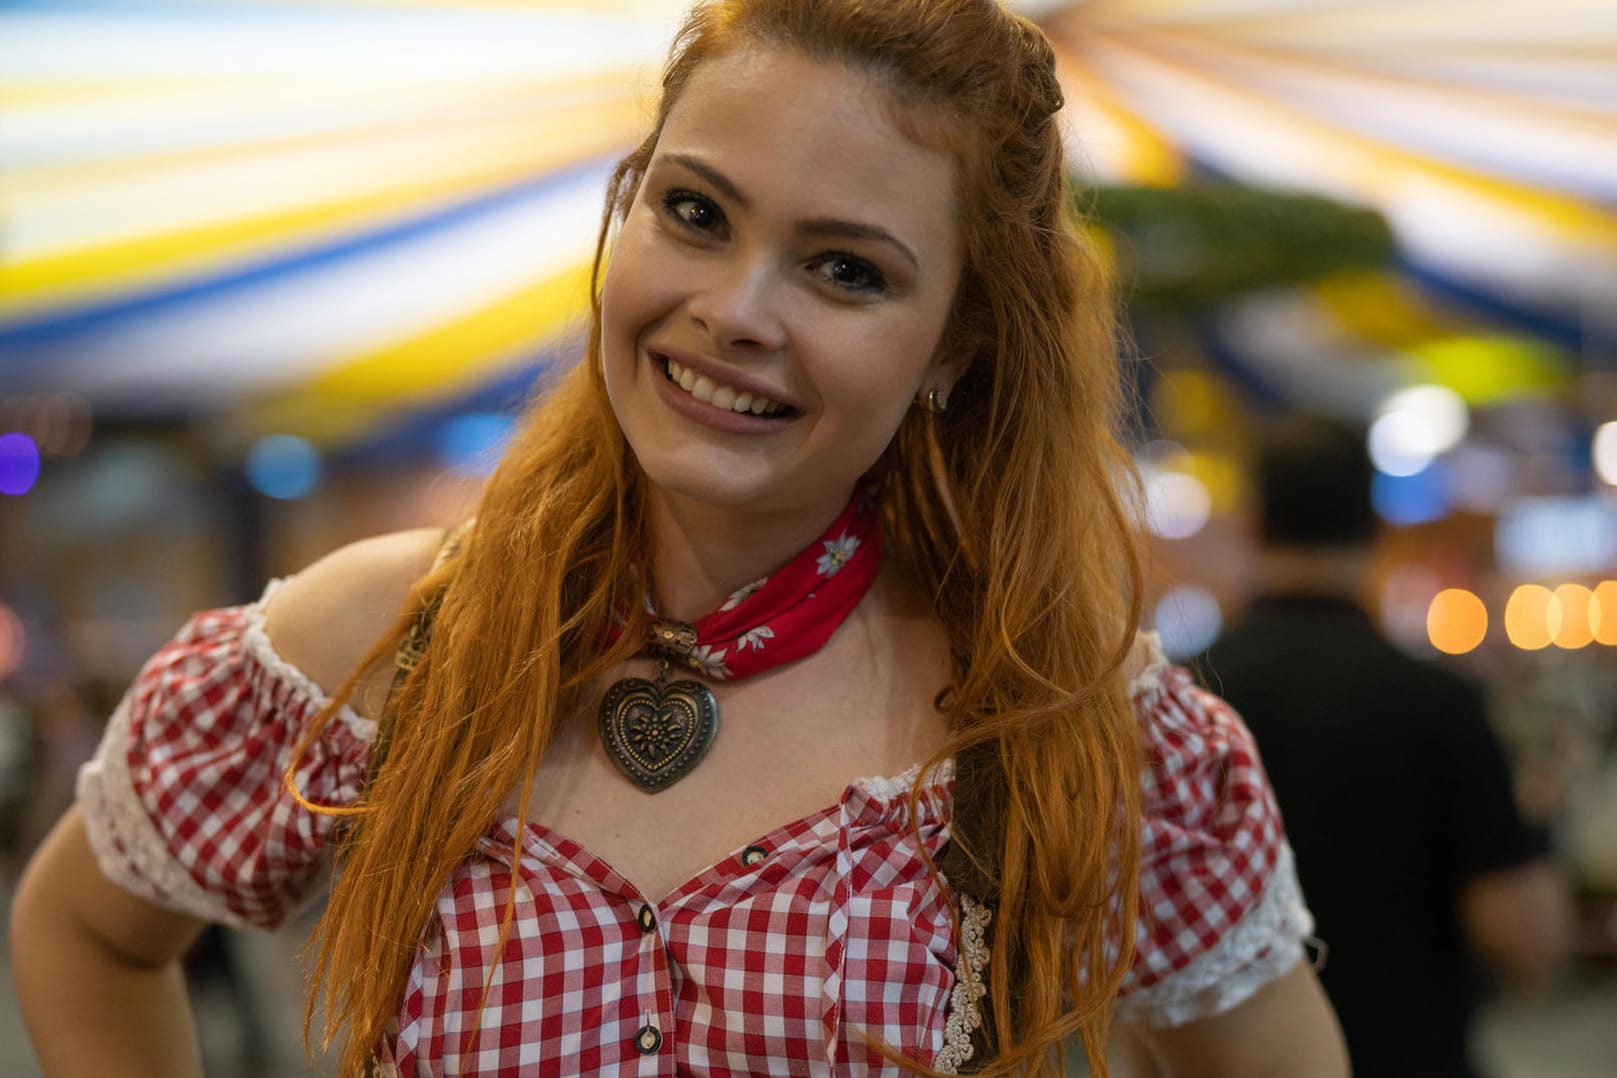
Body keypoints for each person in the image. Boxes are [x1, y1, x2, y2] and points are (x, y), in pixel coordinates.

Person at [10, 2, 1348, 1074]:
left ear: (956, 342)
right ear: (628, 203)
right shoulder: (367, 644)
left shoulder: (1071, 721)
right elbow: (81, 931)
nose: (736, 310)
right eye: (695, 212)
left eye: (846, 269)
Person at [1197, 417, 1571, 1078]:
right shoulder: (1435, 704)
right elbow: (1526, 940)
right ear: (1372, 527)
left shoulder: (1181, 705)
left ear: (1251, 523)